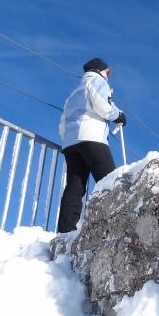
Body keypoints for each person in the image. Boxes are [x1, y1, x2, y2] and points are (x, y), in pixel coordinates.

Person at [56, 58, 126, 233]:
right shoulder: (97, 82)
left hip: (70, 143)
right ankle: (113, 229)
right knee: (110, 182)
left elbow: (62, 124)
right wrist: (119, 116)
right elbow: (104, 106)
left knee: (75, 186)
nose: (108, 75)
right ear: (100, 70)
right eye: (108, 72)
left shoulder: (73, 94)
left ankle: (65, 231)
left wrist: (69, 139)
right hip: (91, 137)